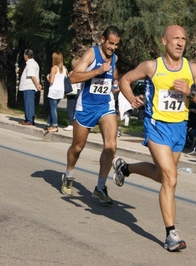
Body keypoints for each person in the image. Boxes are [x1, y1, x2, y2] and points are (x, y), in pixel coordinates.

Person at [113, 25, 196, 252]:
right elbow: (124, 80)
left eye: (184, 39)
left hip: (179, 129)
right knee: (170, 178)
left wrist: (190, 92)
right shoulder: (152, 66)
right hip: (156, 126)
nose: (180, 42)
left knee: (164, 176)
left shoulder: (191, 68)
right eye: (176, 38)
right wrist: (131, 99)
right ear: (164, 41)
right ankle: (171, 235)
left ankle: (125, 168)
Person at [62, 26, 121, 204]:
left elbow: (114, 72)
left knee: (110, 145)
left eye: (116, 45)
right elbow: (73, 77)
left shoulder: (114, 57)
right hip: (86, 106)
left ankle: (100, 187)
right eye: (111, 43)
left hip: (106, 105)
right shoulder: (91, 54)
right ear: (103, 40)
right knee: (78, 147)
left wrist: (115, 82)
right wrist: (97, 71)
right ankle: (69, 174)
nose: (113, 48)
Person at [19, 49, 42, 126]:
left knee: (29, 103)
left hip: (29, 87)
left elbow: (32, 76)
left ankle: (29, 120)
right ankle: (28, 119)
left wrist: (37, 85)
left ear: (26, 55)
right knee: (28, 103)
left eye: (24, 54)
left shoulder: (31, 64)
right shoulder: (31, 63)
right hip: (28, 87)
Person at [45, 52, 66, 132]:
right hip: (60, 90)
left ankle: (55, 125)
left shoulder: (54, 68)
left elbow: (52, 81)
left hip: (53, 90)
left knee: (53, 109)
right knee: (53, 108)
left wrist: (48, 77)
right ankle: (48, 124)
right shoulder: (64, 68)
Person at [64, 56, 82, 131]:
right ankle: (78, 123)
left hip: (72, 92)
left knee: (71, 108)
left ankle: (71, 123)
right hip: (80, 90)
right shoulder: (83, 72)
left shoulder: (71, 72)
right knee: (78, 108)